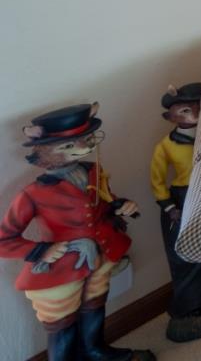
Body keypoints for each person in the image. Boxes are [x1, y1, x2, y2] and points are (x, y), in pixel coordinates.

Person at [0, 103, 154, 361]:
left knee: (95, 305)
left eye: (87, 140)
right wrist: (41, 250)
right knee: (61, 322)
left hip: (99, 256)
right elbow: (4, 239)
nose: (84, 148)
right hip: (62, 267)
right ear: (46, 152)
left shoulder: (93, 172)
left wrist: (118, 207)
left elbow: (100, 204)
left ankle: (94, 350)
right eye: (70, 146)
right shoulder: (34, 193)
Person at [150, 83, 201, 342]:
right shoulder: (166, 146)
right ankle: (191, 305)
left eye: (198, 109)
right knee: (187, 257)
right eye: (185, 111)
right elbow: (157, 180)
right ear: (171, 117)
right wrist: (168, 206)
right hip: (185, 196)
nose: (194, 115)